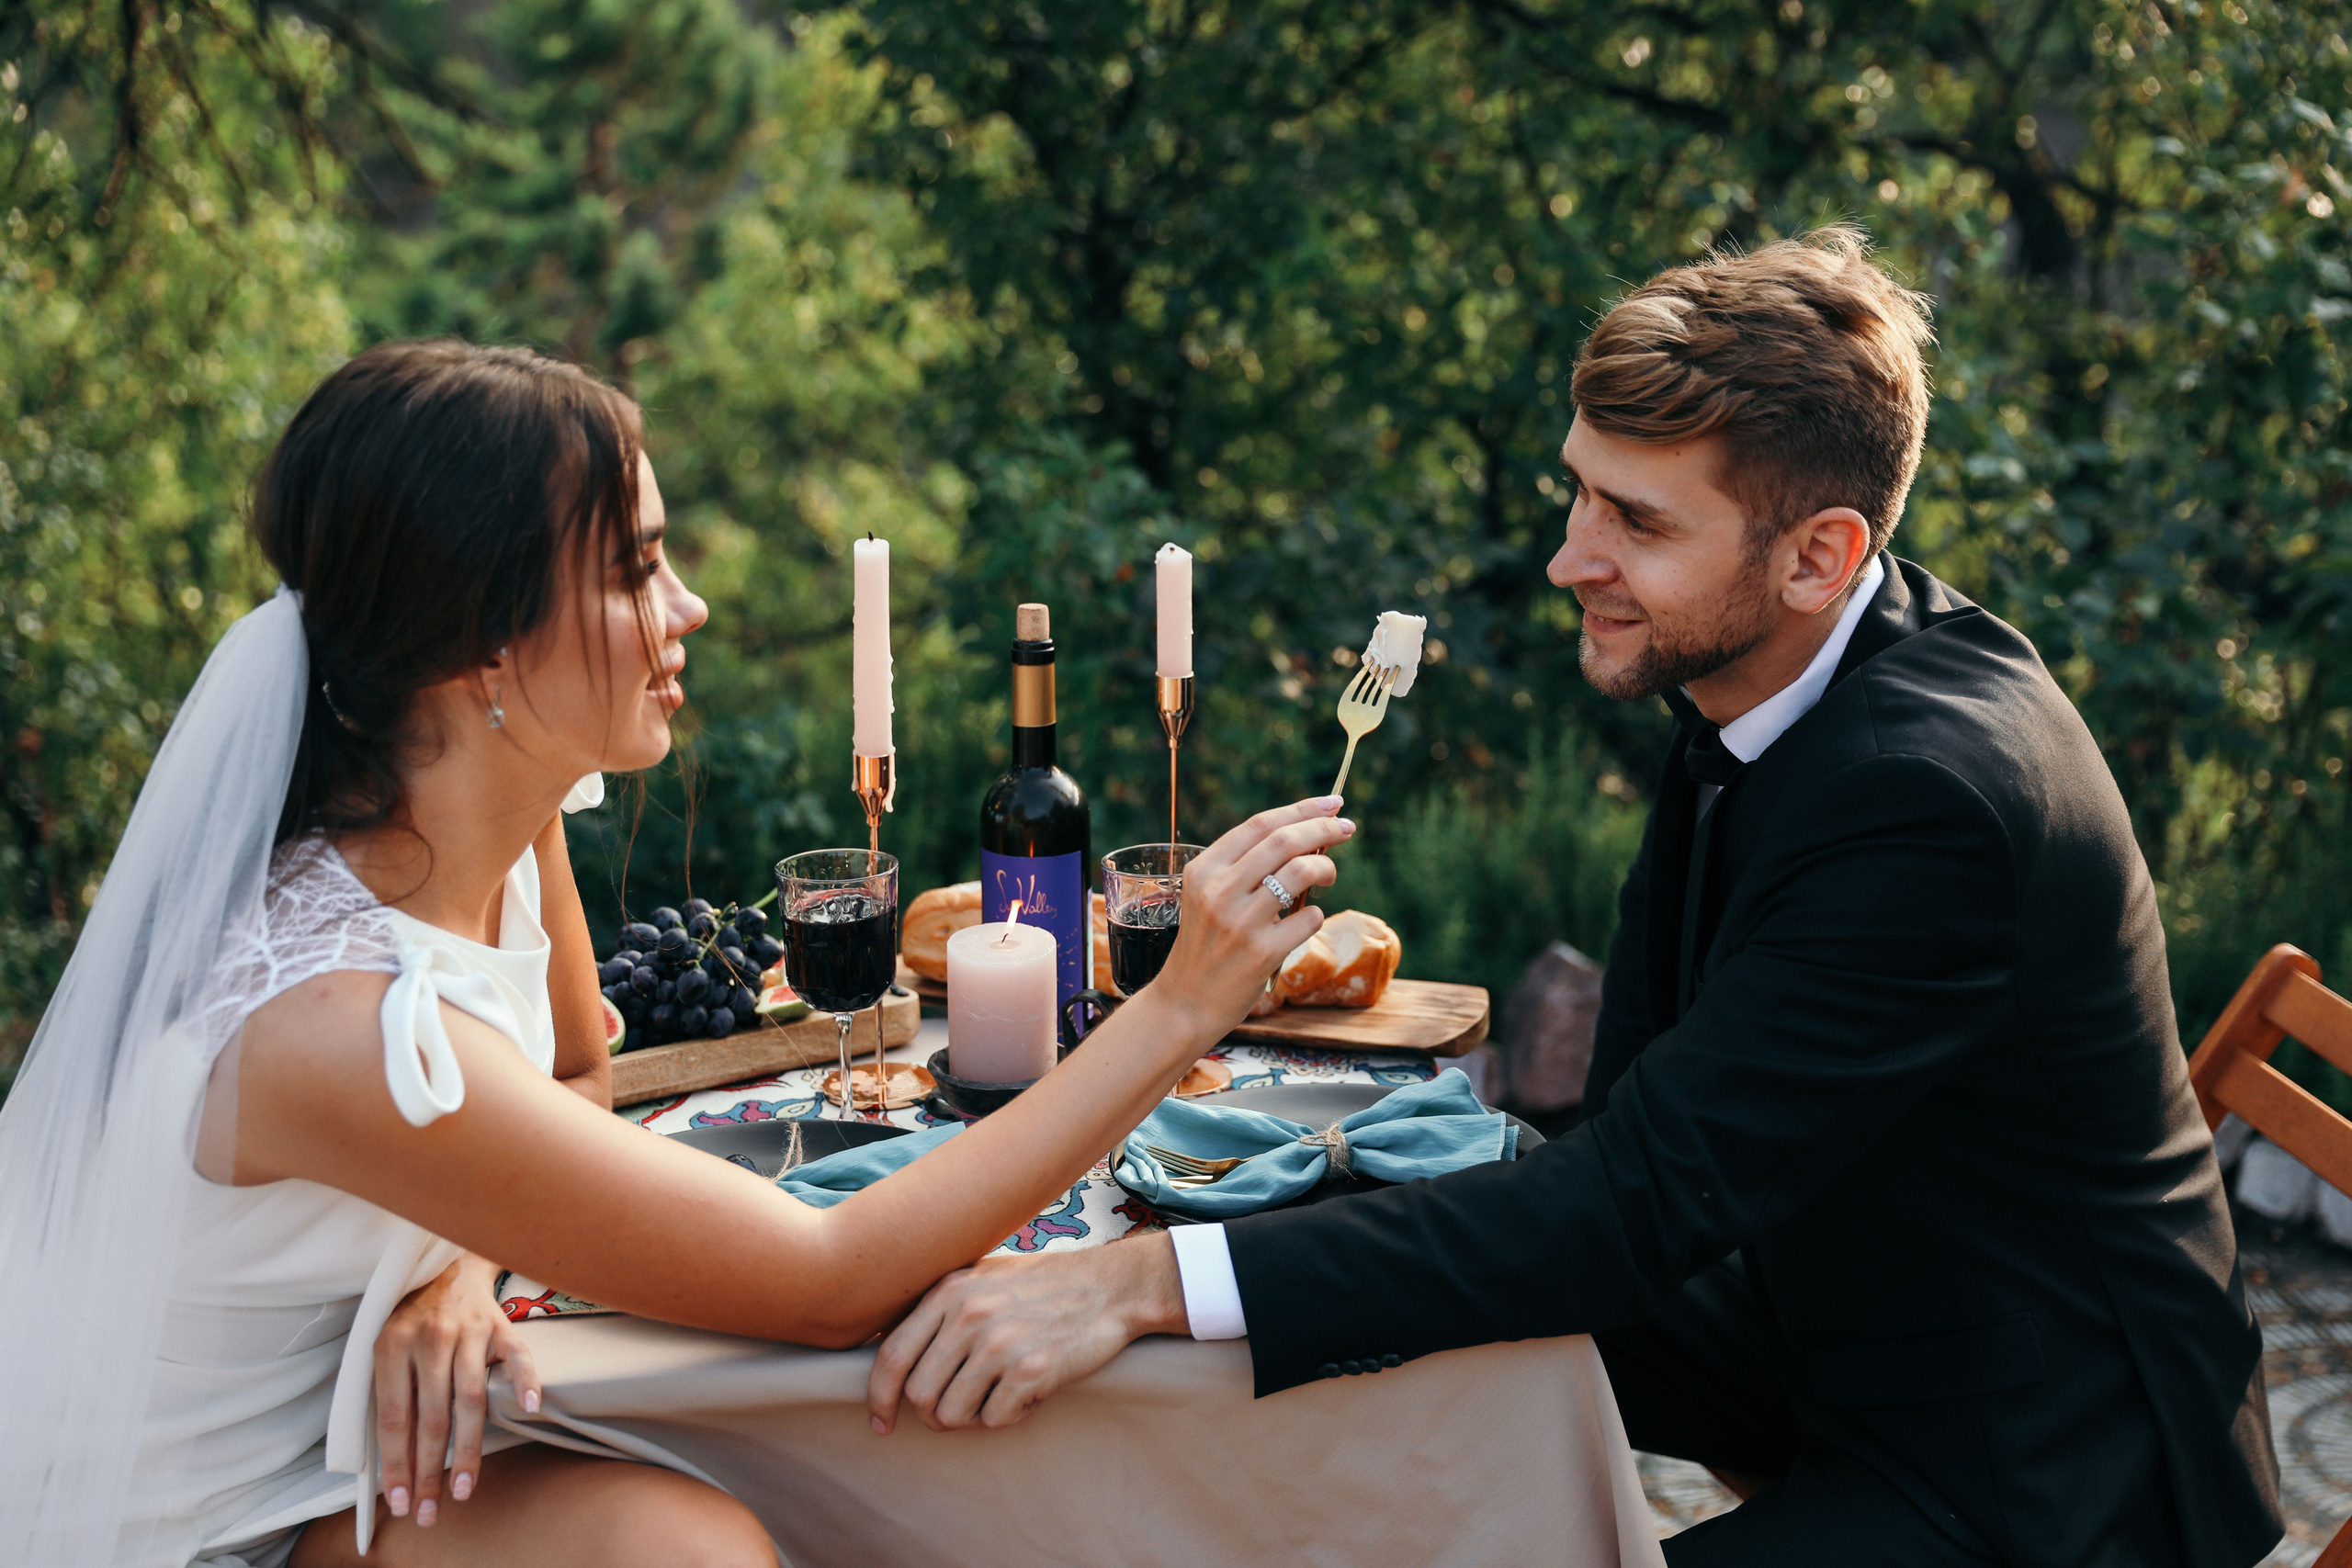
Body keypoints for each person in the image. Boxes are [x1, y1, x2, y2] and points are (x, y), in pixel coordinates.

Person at [863, 228, 2286, 1566]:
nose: (1568, 559)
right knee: (1305, 1338)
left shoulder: (1931, 800)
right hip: (1828, 1318)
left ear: (1819, 554)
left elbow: (1625, 1211)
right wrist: (1196, 1248)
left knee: (1228, 1307)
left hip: (2040, 1458)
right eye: (1580, 491)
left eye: (1634, 521)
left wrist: (1134, 1289)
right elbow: (1625, 1134)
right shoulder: (1760, 671)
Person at [0, 338, 1353, 1568]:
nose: (690, 607)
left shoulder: (486, 825)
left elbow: (581, 1074)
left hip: (347, 1455)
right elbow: (828, 1286)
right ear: (486, 643)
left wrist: (454, 1265)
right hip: (193, 1532)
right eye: (636, 568)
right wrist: (1175, 1010)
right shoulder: (339, 1024)